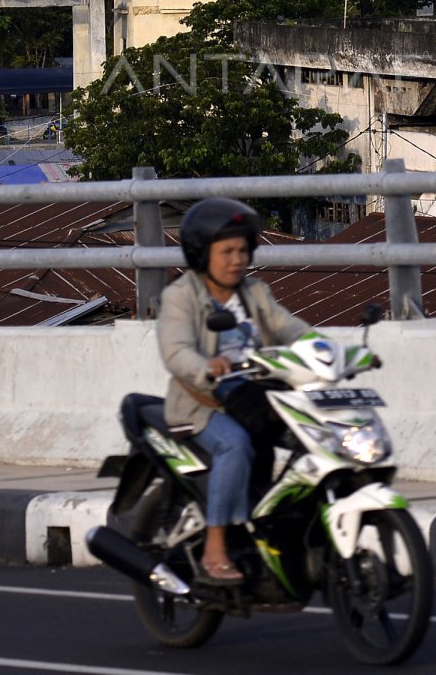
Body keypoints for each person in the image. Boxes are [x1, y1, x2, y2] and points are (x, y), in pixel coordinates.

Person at [156, 198, 308, 587]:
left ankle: (277, 530)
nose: (237, 259)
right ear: (201, 253)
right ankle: (215, 547)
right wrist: (206, 366)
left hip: (256, 397)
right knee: (236, 445)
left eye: (243, 250)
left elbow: (289, 328)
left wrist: (328, 349)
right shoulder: (181, 295)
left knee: (310, 441)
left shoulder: (254, 292)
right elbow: (176, 351)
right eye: (226, 251)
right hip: (200, 403)